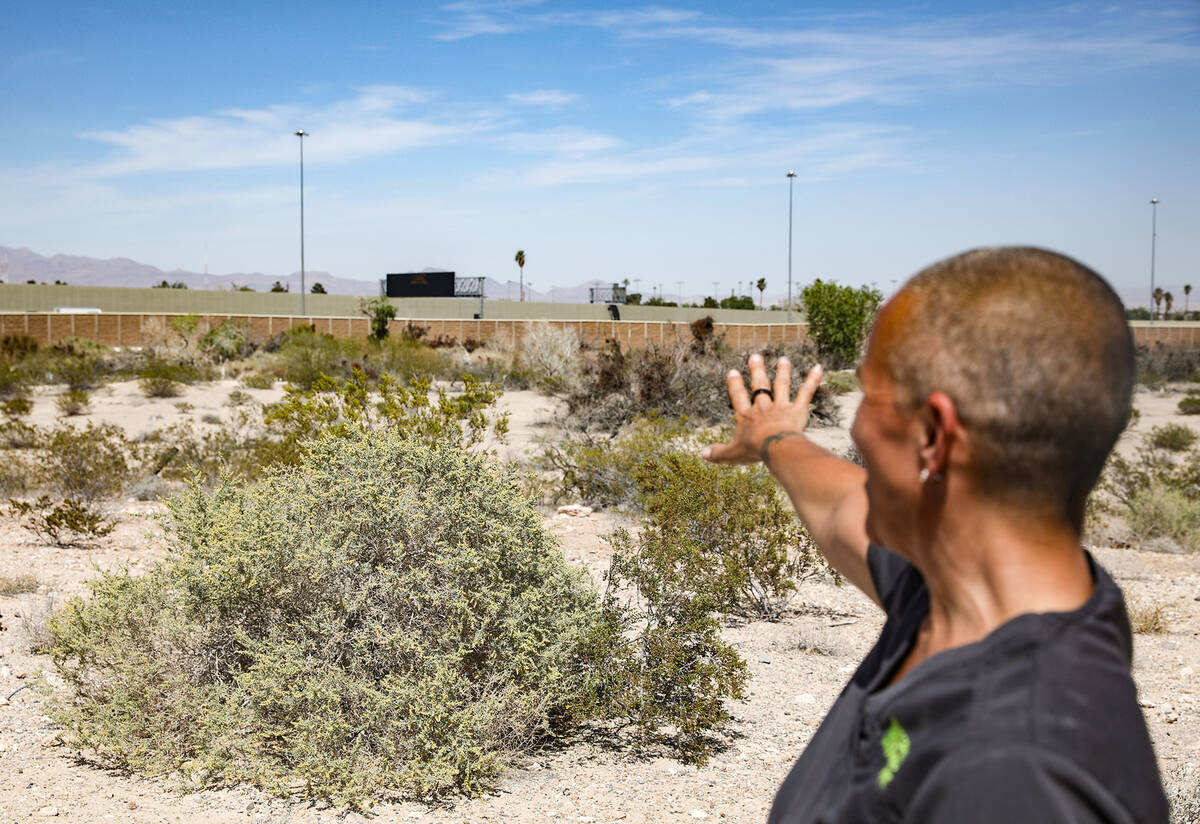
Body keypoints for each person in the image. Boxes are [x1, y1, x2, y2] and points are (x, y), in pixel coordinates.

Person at [702, 247, 1168, 823]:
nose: (857, 426)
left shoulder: (1015, 775)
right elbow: (842, 501)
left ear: (934, 437)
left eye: (870, 396)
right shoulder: (948, 591)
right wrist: (775, 438)